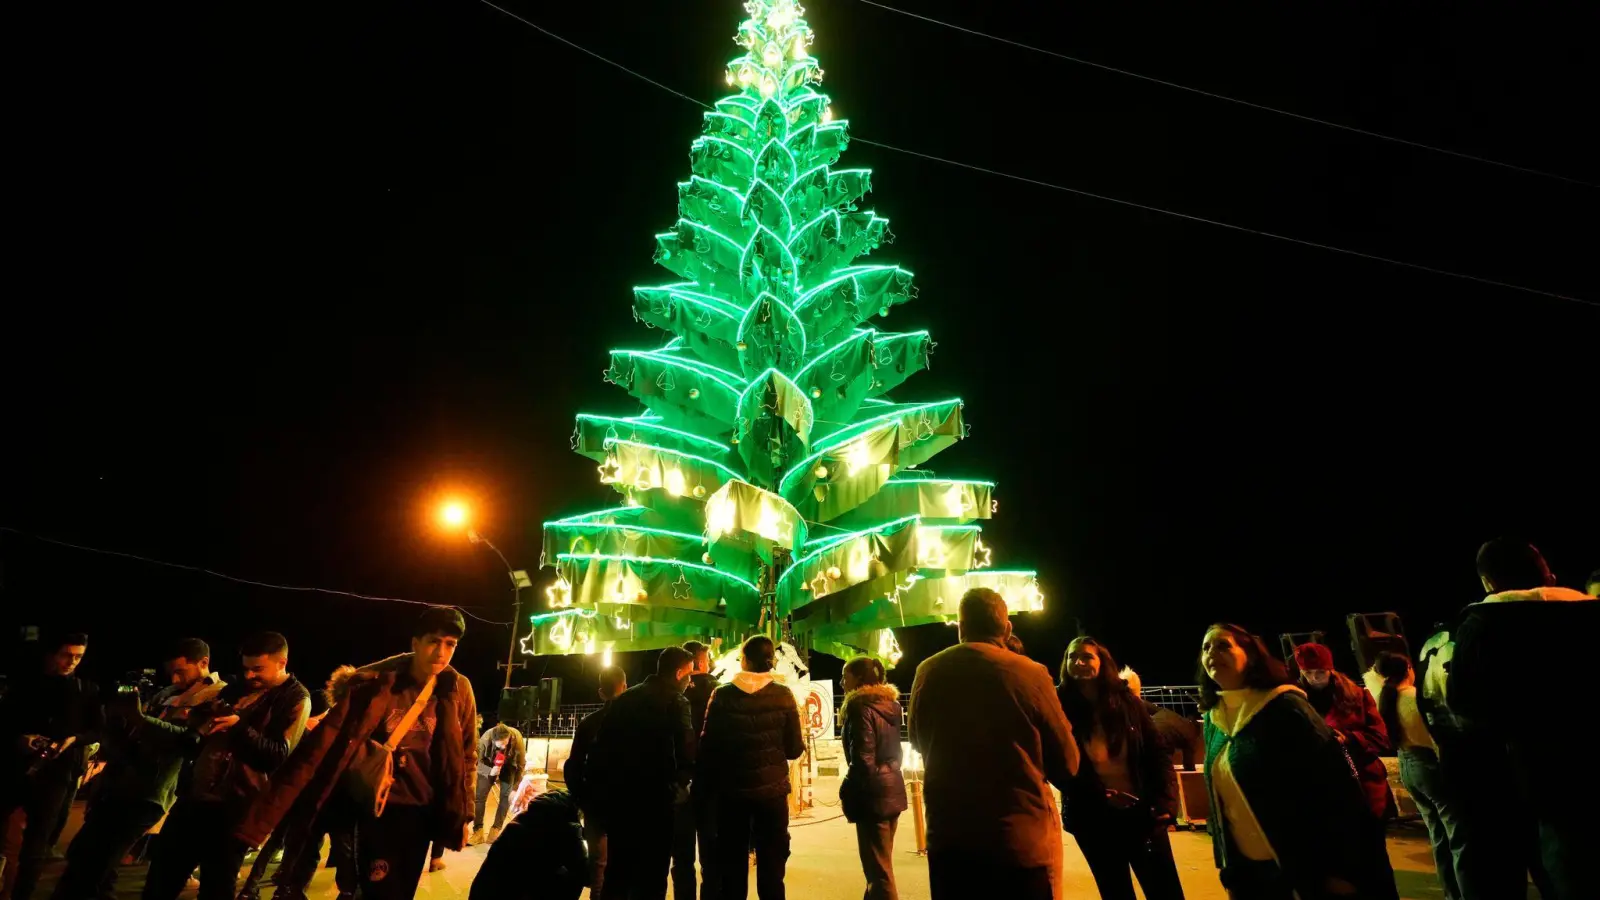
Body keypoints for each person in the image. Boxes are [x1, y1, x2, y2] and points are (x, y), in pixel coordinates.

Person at [236, 608, 478, 900]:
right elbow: (321, 748)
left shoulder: (457, 689)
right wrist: (260, 820)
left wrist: (464, 815)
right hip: (379, 810)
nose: (441, 652)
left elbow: (467, 755)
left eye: (450, 644)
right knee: (378, 889)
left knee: (402, 891)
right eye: (434, 641)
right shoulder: (377, 684)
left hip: (422, 813)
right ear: (415, 642)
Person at [1445, 539, 1598, 900]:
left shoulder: (1484, 624)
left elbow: (1464, 707)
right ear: (1547, 571)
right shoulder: (1588, 614)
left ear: (1488, 583)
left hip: (1546, 777)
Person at [1198, 623, 1396, 900]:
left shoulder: (1284, 707)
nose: (1211, 653)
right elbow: (1222, 806)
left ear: (1251, 656)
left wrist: (1342, 870)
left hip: (1302, 870)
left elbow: (1337, 790)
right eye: (1206, 647)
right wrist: (1229, 870)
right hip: (1250, 876)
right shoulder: (1213, 720)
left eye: (1223, 645)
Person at [908, 588, 1078, 900]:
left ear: (961, 628)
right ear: (1007, 628)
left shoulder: (927, 671)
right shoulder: (1031, 673)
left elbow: (917, 741)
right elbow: (1068, 763)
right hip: (1018, 844)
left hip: (950, 842)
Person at [142, 632, 311, 900]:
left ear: (282, 662)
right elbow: (197, 740)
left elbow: (276, 756)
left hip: (235, 807)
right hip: (192, 799)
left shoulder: (295, 698)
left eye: (258, 669)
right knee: (160, 880)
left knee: (217, 888)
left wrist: (238, 727)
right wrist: (197, 722)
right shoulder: (235, 688)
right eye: (245, 668)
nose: (249, 676)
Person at [52, 639, 219, 900]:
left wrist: (141, 720)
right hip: (120, 783)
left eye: (181, 671)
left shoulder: (217, 695)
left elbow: (189, 740)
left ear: (204, 663)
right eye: (171, 672)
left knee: (96, 865)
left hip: (150, 793)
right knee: (82, 856)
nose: (175, 677)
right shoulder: (167, 692)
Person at [1057, 638, 1183, 900]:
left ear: (1102, 662)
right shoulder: (1059, 707)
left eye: (1086, 656)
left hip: (1142, 813)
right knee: (1115, 891)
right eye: (1071, 657)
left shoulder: (1127, 703)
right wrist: (1094, 793)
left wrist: (1167, 803)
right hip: (1093, 819)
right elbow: (1056, 763)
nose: (1078, 662)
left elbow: (1157, 753)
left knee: (1164, 889)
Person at [696, 637, 804, 900]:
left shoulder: (721, 695)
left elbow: (707, 747)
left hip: (732, 796)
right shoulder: (784, 694)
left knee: (733, 868)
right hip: (772, 796)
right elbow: (793, 748)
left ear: (743, 660)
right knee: (772, 868)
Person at [586, 647, 696, 900]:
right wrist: (682, 784)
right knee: (653, 875)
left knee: (618, 872)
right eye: (689, 676)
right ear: (679, 673)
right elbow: (686, 750)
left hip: (621, 802)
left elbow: (601, 749)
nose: (690, 682)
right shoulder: (677, 702)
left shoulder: (625, 699)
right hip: (658, 802)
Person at [0, 633, 104, 900]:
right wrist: (20, 739)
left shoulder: (86, 689)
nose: (71, 662)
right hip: (15, 769)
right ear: (51, 654)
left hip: (57, 774)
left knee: (37, 846)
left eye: (78, 656)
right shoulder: (24, 685)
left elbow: (98, 730)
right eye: (66, 655)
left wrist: (73, 739)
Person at [1371, 652, 1459, 900]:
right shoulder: (1414, 698)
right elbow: (1435, 740)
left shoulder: (1385, 698)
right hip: (1428, 765)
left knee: (1437, 834)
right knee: (1457, 835)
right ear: (1409, 668)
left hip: (1407, 765)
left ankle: (1450, 891)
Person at [269, 666, 359, 900]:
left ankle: (342, 890)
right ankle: (296, 888)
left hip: (336, 796)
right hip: (322, 795)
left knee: (334, 846)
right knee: (322, 845)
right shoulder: (332, 719)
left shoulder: (353, 721)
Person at [1291, 642, 1391, 820]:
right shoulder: (1295, 702)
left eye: (1320, 672)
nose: (1314, 678)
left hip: (1363, 786)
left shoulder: (1358, 696)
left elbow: (1381, 738)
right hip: (1323, 790)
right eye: (1308, 673)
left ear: (1330, 669)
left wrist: (1349, 739)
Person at [838, 656, 906, 900]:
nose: (841, 683)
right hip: (892, 788)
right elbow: (895, 752)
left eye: (845, 677)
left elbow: (863, 761)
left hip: (872, 797)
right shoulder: (892, 705)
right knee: (881, 864)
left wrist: (846, 789)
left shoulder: (859, 708)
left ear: (858, 679)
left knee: (879, 873)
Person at [565, 664, 625, 899]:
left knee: (598, 865)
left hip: (595, 805)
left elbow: (573, 766)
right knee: (621, 865)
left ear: (601, 692)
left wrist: (581, 798)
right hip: (624, 806)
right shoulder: (636, 723)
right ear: (626, 688)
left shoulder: (588, 723)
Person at [469, 789, 587, 900]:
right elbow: (587, 875)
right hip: (512, 893)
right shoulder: (568, 827)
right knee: (573, 877)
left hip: (483, 892)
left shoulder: (528, 816)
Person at [676, 640, 719, 900]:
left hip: (679, 782)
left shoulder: (673, 693)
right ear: (701, 662)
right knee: (711, 856)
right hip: (710, 783)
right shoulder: (718, 691)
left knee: (681, 858)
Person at [1120, 667, 1201, 770]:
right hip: (1158, 739)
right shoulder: (1190, 734)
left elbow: (1148, 707)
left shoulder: (1170, 715)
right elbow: (1189, 764)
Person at [471, 719, 526, 844]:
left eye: (506, 744)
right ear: (493, 740)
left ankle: (495, 830)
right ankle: (478, 831)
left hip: (509, 766)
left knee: (506, 797)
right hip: (488, 764)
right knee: (479, 797)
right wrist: (489, 771)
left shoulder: (516, 738)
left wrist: (515, 788)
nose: (504, 747)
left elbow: (521, 764)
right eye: (500, 745)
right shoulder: (484, 740)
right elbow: (476, 762)